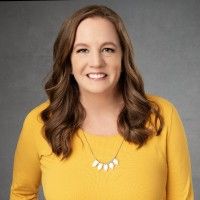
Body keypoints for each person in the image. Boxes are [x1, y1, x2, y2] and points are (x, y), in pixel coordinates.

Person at [10, 5, 194, 200]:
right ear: (68, 61)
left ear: (123, 57)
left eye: (107, 49)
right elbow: (21, 193)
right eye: (82, 50)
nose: (96, 62)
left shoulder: (162, 116)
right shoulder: (40, 122)